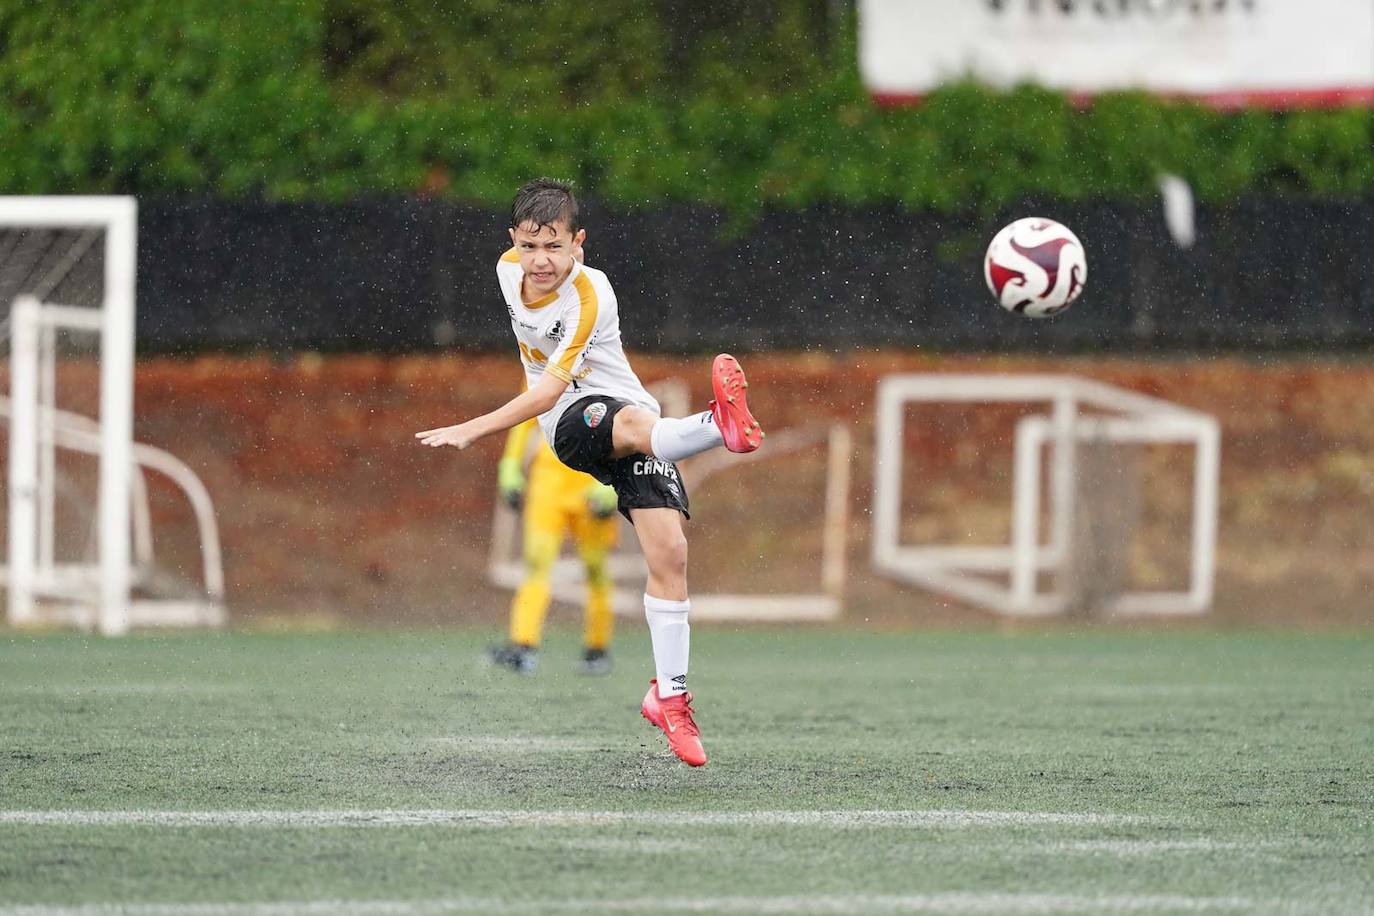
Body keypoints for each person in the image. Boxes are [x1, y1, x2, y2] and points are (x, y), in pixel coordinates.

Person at [417, 177, 763, 767]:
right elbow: (548, 394)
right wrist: (477, 431)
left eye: (554, 246)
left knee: (670, 555)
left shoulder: (590, 294)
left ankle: (669, 699)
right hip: (569, 425)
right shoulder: (507, 272)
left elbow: (550, 379)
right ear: (513, 242)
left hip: (624, 412)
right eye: (530, 245)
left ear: (579, 243)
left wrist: (473, 427)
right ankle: (713, 425)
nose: (541, 260)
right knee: (629, 427)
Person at [487, 412, 620, 676]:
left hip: (591, 479)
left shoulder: (605, 368)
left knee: (595, 568)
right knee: (536, 564)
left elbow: (623, 419)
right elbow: (524, 417)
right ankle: (523, 644)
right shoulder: (536, 369)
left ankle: (597, 648)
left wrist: (612, 480)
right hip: (547, 484)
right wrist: (510, 465)